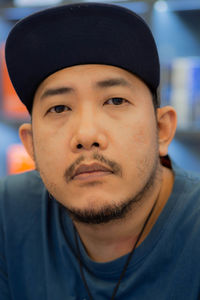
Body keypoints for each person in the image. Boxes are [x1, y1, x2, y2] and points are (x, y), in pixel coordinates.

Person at [1, 2, 200, 300]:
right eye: (59, 108)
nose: (86, 135)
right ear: (31, 146)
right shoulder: (9, 214)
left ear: (162, 130)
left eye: (115, 101)